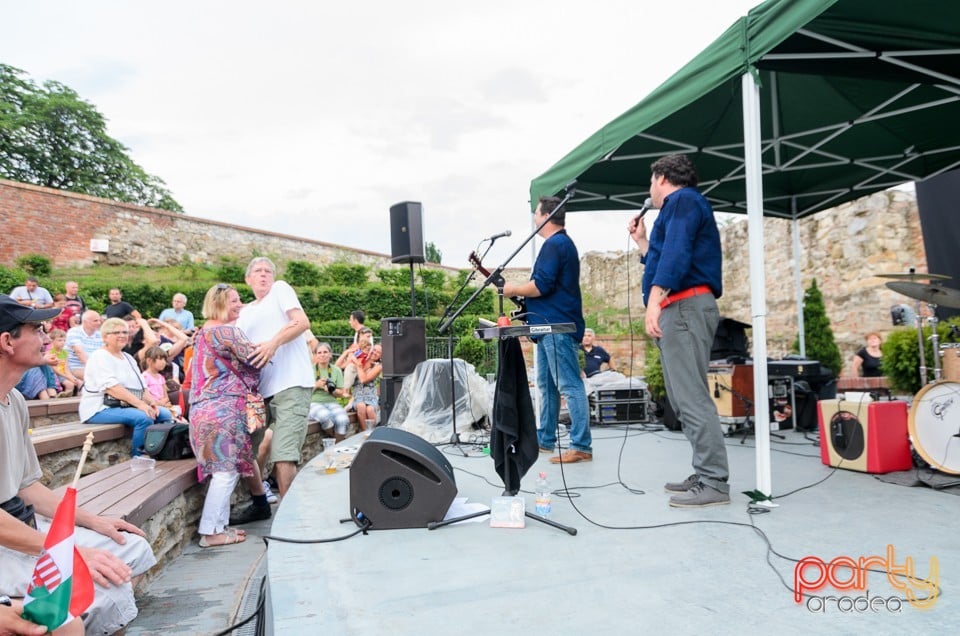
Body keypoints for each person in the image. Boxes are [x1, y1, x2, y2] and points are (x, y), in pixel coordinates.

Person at [0, 294, 157, 635]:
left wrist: (94, 523)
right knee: (98, 590)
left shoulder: (13, 400)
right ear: (7, 341)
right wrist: (67, 551)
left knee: (131, 548)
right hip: (6, 543)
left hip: (24, 527)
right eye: (37, 329)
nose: (47, 337)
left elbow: (27, 487)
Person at [628, 153, 729, 508]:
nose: (650, 190)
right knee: (682, 397)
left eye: (651, 182)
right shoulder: (683, 206)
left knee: (691, 397)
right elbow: (664, 255)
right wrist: (643, 243)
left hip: (684, 307)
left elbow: (676, 255)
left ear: (662, 177)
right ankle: (705, 473)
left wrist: (654, 301)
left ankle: (714, 480)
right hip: (681, 307)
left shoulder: (682, 200)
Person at [502, 195, 593, 464]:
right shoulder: (559, 245)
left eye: (536, 214)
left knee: (569, 385)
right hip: (546, 326)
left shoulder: (556, 244)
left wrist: (512, 288)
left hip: (556, 327)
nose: (534, 219)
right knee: (546, 385)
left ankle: (581, 445)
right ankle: (545, 440)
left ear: (545, 216)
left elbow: (541, 285)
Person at [234, 257, 312, 513]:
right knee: (245, 449)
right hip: (258, 392)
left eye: (268, 270)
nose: (264, 275)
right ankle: (259, 502)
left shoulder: (280, 289)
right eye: (258, 271)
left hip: (291, 383)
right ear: (248, 279)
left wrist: (272, 343)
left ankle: (288, 519)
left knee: (283, 452)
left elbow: (301, 322)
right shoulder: (244, 313)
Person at [189, 284, 264, 547]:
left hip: (202, 408)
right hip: (223, 409)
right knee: (224, 471)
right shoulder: (227, 332)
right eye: (234, 300)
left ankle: (220, 528)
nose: (240, 304)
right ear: (220, 303)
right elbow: (258, 358)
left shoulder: (202, 333)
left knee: (225, 470)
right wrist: (275, 343)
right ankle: (209, 533)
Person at [79, 317, 174, 457]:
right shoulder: (99, 357)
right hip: (100, 408)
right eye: (117, 332)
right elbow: (112, 388)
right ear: (105, 336)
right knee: (144, 417)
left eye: (124, 332)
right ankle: (139, 457)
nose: (122, 335)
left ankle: (160, 452)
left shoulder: (128, 357)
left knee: (164, 413)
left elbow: (142, 386)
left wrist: (152, 402)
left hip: (124, 404)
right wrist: (141, 405)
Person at [309, 342, 351, 442]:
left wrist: (332, 390)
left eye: (325, 352)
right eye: (319, 352)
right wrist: (316, 385)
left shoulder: (336, 370)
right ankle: (337, 442)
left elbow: (341, 393)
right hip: (313, 402)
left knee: (343, 420)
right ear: (315, 355)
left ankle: (334, 445)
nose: (322, 354)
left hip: (331, 402)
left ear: (330, 354)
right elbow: (302, 393)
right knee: (325, 416)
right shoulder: (309, 370)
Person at [65, 309, 103, 381]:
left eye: (99, 320)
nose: (99, 323)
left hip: (96, 367)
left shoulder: (100, 334)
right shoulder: (74, 332)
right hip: (76, 367)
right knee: (98, 378)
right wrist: (96, 369)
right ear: (85, 322)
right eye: (95, 321)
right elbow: (79, 353)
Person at [353, 342, 382, 429]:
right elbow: (339, 366)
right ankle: (364, 433)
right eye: (374, 349)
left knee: (370, 410)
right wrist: (347, 353)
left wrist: (358, 365)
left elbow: (364, 380)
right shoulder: (362, 358)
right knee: (361, 406)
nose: (374, 352)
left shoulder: (379, 366)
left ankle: (374, 433)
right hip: (358, 395)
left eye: (378, 352)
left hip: (370, 396)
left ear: (381, 356)